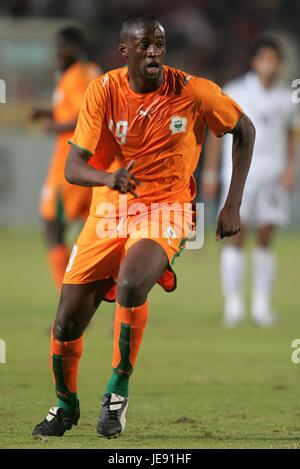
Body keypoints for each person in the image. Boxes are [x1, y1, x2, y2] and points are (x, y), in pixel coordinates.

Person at [32, 15, 255, 439]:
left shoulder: (193, 91)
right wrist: (108, 178)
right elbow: (73, 166)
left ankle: (116, 394)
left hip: (167, 208)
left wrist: (233, 202)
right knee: (65, 326)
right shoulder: (103, 90)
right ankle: (65, 406)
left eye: (159, 44)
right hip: (107, 211)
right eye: (145, 45)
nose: (154, 52)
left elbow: (244, 128)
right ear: (125, 51)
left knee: (133, 284)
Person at [203, 36, 298, 328]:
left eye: (275, 60)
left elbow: (293, 135)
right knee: (235, 237)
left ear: (280, 64)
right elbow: (217, 134)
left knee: (266, 239)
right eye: (265, 59)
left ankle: (261, 306)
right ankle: (234, 305)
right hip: (239, 176)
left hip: (273, 175)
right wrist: (209, 172)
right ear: (255, 62)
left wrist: (292, 167)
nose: (270, 65)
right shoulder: (236, 91)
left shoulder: (287, 97)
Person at [31, 26, 101, 290]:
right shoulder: (92, 72)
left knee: (51, 228)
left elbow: (88, 115)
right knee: (97, 239)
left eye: (60, 48)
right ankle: (118, 300)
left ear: (72, 48)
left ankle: (68, 302)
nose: (56, 54)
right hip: (94, 167)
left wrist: (56, 127)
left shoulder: (73, 77)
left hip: (69, 167)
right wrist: (50, 113)